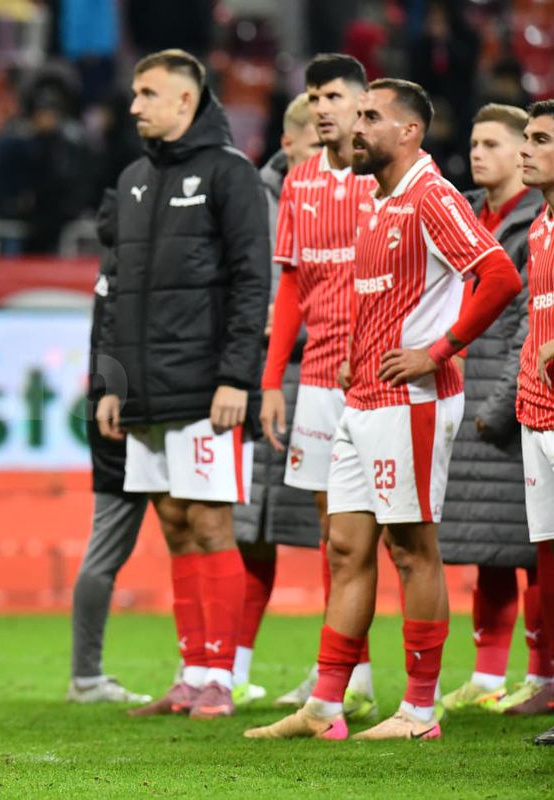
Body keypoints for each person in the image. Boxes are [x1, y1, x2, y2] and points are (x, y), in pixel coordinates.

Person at [246, 79, 522, 741]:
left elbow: (500, 277)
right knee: (345, 547)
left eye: (372, 116)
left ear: (410, 131)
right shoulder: (379, 198)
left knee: (412, 549)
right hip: (362, 397)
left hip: (413, 402)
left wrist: (441, 350)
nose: (356, 126)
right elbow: (381, 296)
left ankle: (420, 712)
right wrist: (355, 356)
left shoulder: (431, 195)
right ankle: (325, 708)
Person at [94, 49, 270, 720]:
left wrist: (236, 377)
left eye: (148, 93)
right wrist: (112, 384)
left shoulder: (231, 174)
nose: (134, 105)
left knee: (210, 522)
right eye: (134, 92)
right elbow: (116, 293)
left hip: (205, 389)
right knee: (172, 523)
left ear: (186, 101)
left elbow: (253, 281)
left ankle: (221, 677)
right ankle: (192, 671)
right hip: (144, 389)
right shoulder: (133, 179)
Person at [257, 54, 383, 719]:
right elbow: (290, 287)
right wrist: (272, 379)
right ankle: (349, 673)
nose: (321, 107)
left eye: (333, 95)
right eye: (313, 96)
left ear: (363, 102)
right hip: (317, 376)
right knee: (332, 530)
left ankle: (405, 693)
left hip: (377, 376)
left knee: (396, 538)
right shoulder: (300, 180)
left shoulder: (384, 176)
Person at [440, 104, 549, 715]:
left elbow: (530, 326)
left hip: (506, 403)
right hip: (469, 397)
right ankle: (487, 676)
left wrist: (503, 403)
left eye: (493, 144)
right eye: (474, 143)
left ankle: (541, 672)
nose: (478, 153)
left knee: (535, 550)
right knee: (491, 548)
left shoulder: (537, 221)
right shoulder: (463, 215)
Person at [231, 90, 322, 707]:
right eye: (317, 142)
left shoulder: (350, 194)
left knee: (338, 528)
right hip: (253, 379)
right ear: (289, 144)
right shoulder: (250, 196)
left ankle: (341, 671)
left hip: (316, 374)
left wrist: (294, 325)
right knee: (249, 531)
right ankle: (229, 667)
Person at [67, 187, 154, 707]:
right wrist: (112, 394)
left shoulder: (112, 263)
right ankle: (86, 675)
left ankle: (86, 675)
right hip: (127, 411)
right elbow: (116, 339)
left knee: (108, 544)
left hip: (110, 402)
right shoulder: (132, 268)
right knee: (114, 544)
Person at [516, 99, 554, 746]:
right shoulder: (540, 226)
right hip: (537, 407)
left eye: (541, 139)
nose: (526, 147)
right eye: (526, 136)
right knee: (549, 558)